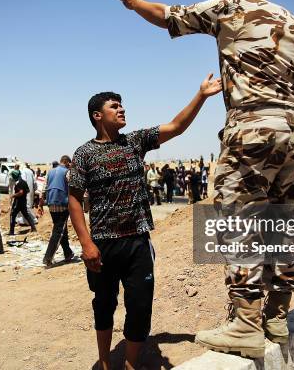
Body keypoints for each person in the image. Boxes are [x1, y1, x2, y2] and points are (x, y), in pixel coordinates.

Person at [118, 0, 294, 358]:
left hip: (250, 128)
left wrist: (135, 3)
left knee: (238, 220)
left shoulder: (228, 6)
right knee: (282, 221)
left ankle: (246, 325)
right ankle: (276, 317)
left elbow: (167, 15)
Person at [68, 74, 222, 370]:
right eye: (115, 106)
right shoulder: (84, 153)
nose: (122, 109)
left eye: (123, 105)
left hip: (138, 241)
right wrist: (86, 244)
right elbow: (74, 200)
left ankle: (129, 364)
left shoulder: (135, 142)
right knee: (104, 304)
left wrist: (201, 95)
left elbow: (176, 127)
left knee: (139, 306)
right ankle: (104, 363)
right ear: (98, 115)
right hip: (103, 243)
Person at [39, 155, 75, 267]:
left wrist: (40, 205)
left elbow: (43, 189)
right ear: (67, 163)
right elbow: (72, 188)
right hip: (62, 204)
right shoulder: (67, 172)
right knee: (58, 231)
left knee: (61, 229)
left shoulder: (50, 172)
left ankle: (68, 253)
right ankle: (48, 257)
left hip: (51, 203)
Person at [8, 169, 36, 237]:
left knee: (12, 215)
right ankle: (33, 228)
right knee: (26, 215)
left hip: (18, 202)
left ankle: (11, 231)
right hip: (23, 201)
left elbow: (21, 192)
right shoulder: (24, 182)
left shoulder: (18, 183)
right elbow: (28, 191)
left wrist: (13, 195)